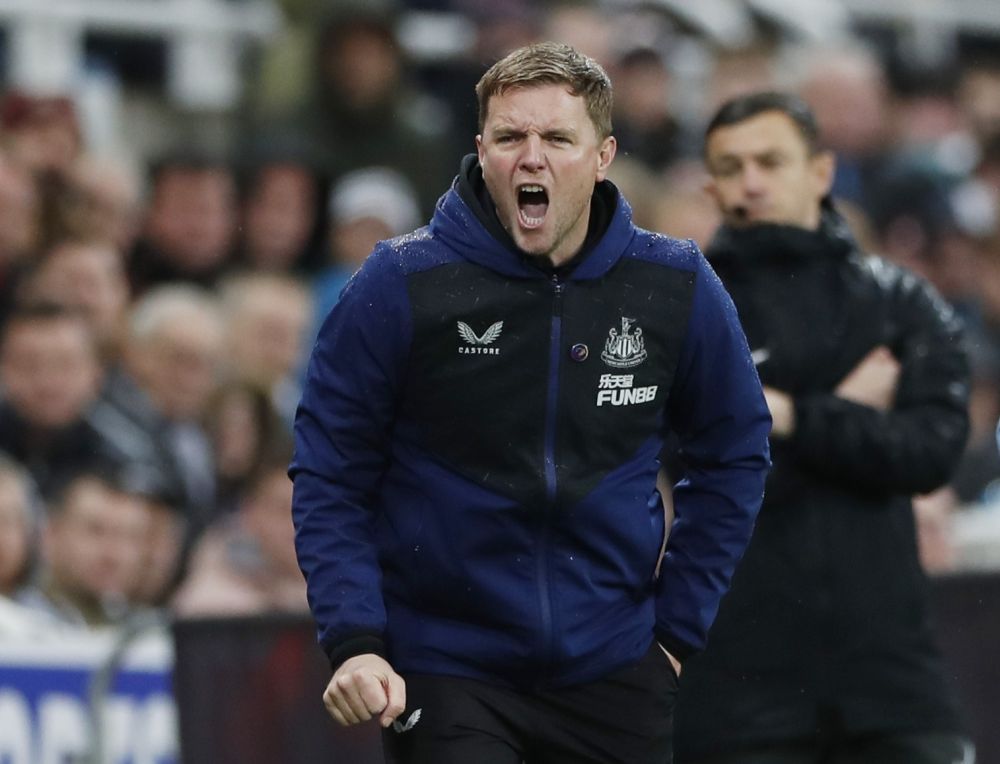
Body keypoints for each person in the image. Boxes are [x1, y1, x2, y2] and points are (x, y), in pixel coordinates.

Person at [290, 42, 771, 764]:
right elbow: (330, 470)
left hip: (616, 670)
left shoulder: (674, 284)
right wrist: (356, 640)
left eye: (556, 138)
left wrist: (675, 632)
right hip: (449, 669)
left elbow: (734, 452)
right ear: (481, 149)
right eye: (510, 137)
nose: (531, 157)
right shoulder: (400, 282)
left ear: (602, 154)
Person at [673, 91, 973, 764]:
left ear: (821, 171)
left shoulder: (899, 299)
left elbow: (931, 453)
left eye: (771, 160)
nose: (751, 180)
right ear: (710, 185)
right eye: (732, 165)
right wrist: (847, 406)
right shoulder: (683, 316)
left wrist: (791, 416)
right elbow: (702, 482)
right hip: (739, 688)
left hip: (893, 683)